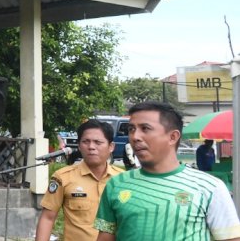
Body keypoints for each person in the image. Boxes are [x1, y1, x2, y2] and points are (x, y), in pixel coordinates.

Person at [95, 101, 240, 241]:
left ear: (173, 137)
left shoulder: (210, 187)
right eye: (131, 129)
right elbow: (106, 237)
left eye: (145, 128)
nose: (135, 137)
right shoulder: (116, 184)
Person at [34, 119, 122, 241]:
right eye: (86, 142)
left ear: (111, 146)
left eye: (98, 142)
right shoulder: (63, 177)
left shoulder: (123, 179)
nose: (91, 147)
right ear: (79, 146)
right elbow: (48, 218)